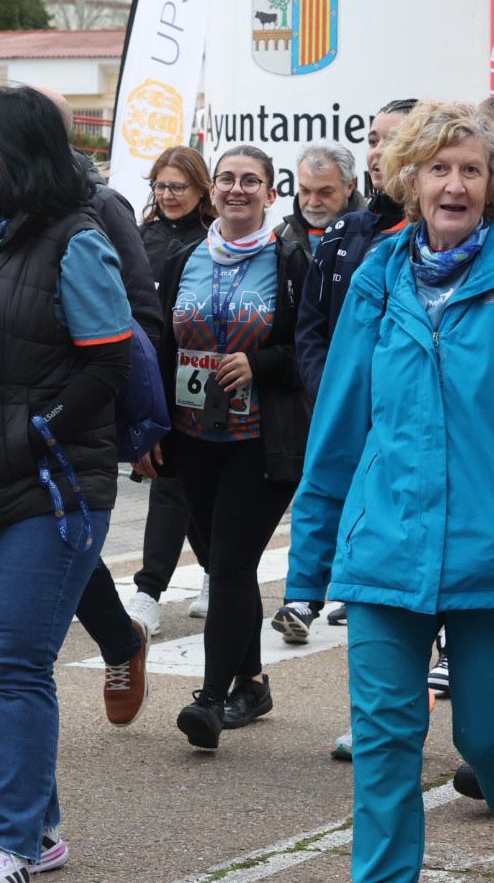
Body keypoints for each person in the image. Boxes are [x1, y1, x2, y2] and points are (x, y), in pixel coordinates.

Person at [288, 101, 494, 883]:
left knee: (493, 738)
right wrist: (309, 563)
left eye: (470, 168)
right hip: (388, 544)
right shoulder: (376, 280)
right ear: (410, 181)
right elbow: (339, 425)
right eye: (438, 168)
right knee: (386, 739)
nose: (454, 184)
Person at [0, 84, 131, 883]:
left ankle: (7, 843)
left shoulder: (77, 241)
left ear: (1, 155)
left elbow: (112, 358)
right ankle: (39, 830)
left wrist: (39, 430)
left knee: (11, 663)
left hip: (52, 488)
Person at [138, 143, 310, 749]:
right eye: (227, 180)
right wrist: (148, 432)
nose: (237, 190)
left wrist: (257, 362)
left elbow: (312, 354)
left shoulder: (292, 261)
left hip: (260, 442)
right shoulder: (186, 257)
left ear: (270, 193)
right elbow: (159, 348)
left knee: (233, 564)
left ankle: (211, 701)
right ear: (213, 191)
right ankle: (252, 681)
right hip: (191, 440)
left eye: (251, 181)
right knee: (220, 563)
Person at [277, 98, 417, 646]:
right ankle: (305, 595)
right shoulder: (346, 233)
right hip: (343, 402)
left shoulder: (452, 238)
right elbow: (310, 326)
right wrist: (326, 388)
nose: (380, 152)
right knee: (325, 488)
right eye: (375, 140)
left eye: (394, 139)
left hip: (409, 415)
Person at [127, 145, 215, 637]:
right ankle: (173, 584)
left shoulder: (213, 240)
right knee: (171, 479)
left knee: (184, 482)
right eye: (160, 186)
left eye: (177, 187)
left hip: (199, 378)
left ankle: (155, 588)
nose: (167, 195)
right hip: (150, 374)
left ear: (201, 189)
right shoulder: (141, 238)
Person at [275, 141, 363, 251]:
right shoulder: (279, 237)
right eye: (305, 190)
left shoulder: (376, 234)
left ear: (349, 186)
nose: (313, 203)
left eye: (325, 192)